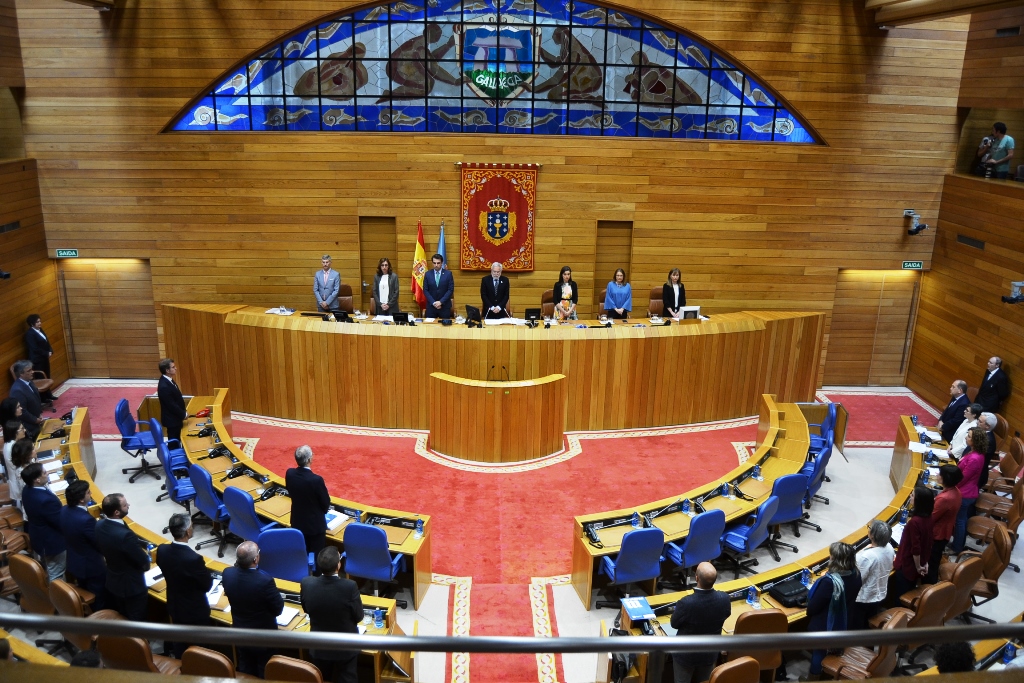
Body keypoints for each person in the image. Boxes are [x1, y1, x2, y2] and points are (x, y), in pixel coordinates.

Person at [300, 546, 364, 683]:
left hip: (319, 646)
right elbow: (359, 616)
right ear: (338, 565)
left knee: (322, 678)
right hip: (346, 648)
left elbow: (306, 609)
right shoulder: (349, 587)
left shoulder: (307, 583)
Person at [222, 540, 284, 677]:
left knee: (245, 668)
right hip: (263, 638)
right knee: (265, 671)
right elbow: (278, 609)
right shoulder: (265, 581)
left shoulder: (227, 574)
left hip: (240, 633)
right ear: (256, 559)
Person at [156, 512, 214, 657]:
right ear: (188, 531)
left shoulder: (162, 550)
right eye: (192, 526)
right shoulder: (194, 559)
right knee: (200, 650)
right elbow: (206, 585)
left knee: (180, 643)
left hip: (174, 605)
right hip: (194, 612)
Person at [805, 542, 862, 681]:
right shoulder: (856, 574)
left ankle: (813, 678)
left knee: (819, 651)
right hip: (844, 620)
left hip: (825, 625)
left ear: (835, 560)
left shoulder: (829, 582)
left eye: (831, 556)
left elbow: (812, 608)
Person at [669, 562, 731, 683]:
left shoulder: (686, 603)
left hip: (685, 656)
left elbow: (674, 624)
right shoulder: (724, 599)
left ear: (696, 578)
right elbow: (726, 614)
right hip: (709, 653)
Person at [95, 493, 151, 621]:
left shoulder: (99, 525)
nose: (129, 505)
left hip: (113, 581)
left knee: (123, 614)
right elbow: (143, 561)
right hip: (131, 587)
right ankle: (139, 641)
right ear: (116, 512)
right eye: (125, 505)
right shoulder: (125, 536)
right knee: (137, 620)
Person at [60, 480, 107, 609]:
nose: (91, 493)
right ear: (81, 500)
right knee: (98, 598)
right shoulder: (86, 520)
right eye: (88, 492)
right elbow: (98, 543)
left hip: (75, 562)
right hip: (91, 567)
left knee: (85, 592)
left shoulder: (64, 510)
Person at [21, 462, 67, 582]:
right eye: (45, 473)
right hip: (52, 542)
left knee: (50, 567)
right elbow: (60, 521)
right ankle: (60, 599)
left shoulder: (27, 489)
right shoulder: (45, 500)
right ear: (37, 479)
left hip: (38, 536)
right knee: (56, 574)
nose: (48, 474)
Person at [285, 445, 330, 557]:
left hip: (297, 522)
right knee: (317, 557)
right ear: (310, 459)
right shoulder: (316, 480)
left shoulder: (289, 473)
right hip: (315, 527)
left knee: (301, 554)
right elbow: (325, 504)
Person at [893, 486, 934, 598]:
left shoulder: (914, 522)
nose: (910, 496)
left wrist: (918, 567)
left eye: (912, 495)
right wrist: (925, 562)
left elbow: (915, 549)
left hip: (908, 565)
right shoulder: (929, 517)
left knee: (900, 595)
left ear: (918, 501)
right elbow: (928, 542)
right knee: (909, 590)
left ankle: (899, 614)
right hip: (920, 563)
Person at [952, 427, 986, 552]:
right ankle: (958, 543)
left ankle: (957, 547)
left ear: (976, 440)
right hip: (966, 491)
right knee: (961, 519)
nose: (966, 437)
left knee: (960, 521)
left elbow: (963, 479)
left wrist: (950, 487)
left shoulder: (974, 459)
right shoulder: (974, 453)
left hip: (965, 494)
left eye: (970, 436)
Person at [853, 520, 893, 628]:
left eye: (870, 528)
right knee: (871, 616)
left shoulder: (867, 557)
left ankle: (860, 643)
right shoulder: (889, 547)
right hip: (879, 592)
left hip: (864, 598)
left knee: (859, 624)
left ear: (873, 536)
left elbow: (858, 579)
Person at [927, 465, 963, 584]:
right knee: (934, 559)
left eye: (939, 474)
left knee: (932, 562)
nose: (937, 475)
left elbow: (931, 517)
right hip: (945, 530)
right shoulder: (956, 491)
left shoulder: (945, 498)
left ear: (945, 478)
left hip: (937, 534)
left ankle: (928, 587)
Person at [9, 360, 46, 440]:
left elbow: (36, 400)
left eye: (32, 369)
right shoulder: (17, 390)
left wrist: (39, 414)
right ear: (21, 374)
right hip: (29, 427)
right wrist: (35, 420)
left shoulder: (29, 381)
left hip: (37, 420)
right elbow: (22, 412)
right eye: (29, 371)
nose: (32, 372)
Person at [23, 314, 55, 403]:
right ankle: (43, 398)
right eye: (37, 322)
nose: (40, 323)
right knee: (41, 377)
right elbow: (34, 348)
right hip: (37, 360)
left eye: (40, 321)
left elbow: (46, 341)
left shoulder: (40, 330)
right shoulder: (29, 334)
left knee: (47, 375)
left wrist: (50, 351)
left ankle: (49, 395)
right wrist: (46, 353)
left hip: (44, 358)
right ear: (32, 324)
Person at [157, 358, 187, 442]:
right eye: (173, 367)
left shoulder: (168, 380)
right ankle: (173, 455)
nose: (176, 368)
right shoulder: (164, 386)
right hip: (172, 420)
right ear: (167, 370)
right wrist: (183, 414)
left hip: (176, 418)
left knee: (177, 440)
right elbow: (171, 405)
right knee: (174, 442)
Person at [936, 380, 970, 444]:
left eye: (953, 387)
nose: (950, 388)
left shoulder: (964, 403)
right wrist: (941, 420)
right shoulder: (955, 397)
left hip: (951, 433)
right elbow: (947, 410)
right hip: (944, 427)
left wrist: (943, 427)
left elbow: (956, 420)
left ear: (960, 390)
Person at [2, 422, 27, 507]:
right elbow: (20, 466)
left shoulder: (10, 444)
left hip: (17, 480)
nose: (25, 430)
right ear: (14, 432)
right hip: (19, 483)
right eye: (22, 429)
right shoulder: (13, 447)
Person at [423, 253, 454, 319]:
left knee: (445, 327)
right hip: (431, 307)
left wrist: (441, 302)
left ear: (442, 263)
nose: (436, 265)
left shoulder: (448, 274)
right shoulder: (428, 274)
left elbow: (450, 290)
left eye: (438, 263)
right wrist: (434, 303)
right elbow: (425, 290)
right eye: (434, 263)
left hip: (444, 306)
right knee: (430, 327)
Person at [976, 412, 998, 491]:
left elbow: (976, 460)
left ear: (987, 426)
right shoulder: (982, 433)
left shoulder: (988, 441)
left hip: (977, 476)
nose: (976, 422)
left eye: (980, 421)